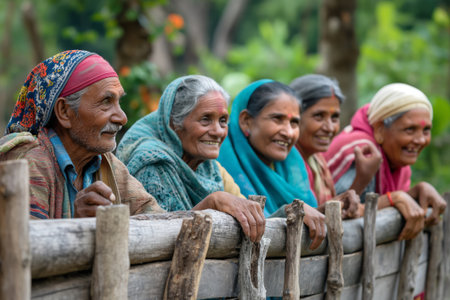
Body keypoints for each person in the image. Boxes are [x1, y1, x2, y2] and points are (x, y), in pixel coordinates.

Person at [0, 51, 264, 242]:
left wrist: (212, 202)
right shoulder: (28, 161)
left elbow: (160, 224)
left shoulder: (107, 163)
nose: (122, 117)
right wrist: (72, 223)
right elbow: (21, 251)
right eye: (106, 102)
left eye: (119, 102)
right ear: (64, 112)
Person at [116, 75, 265, 241]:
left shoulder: (209, 168)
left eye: (223, 120)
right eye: (205, 119)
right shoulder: (151, 163)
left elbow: (248, 212)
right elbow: (156, 236)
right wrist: (211, 203)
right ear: (174, 123)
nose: (218, 131)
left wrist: (288, 213)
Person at [218, 80, 358, 249]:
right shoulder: (220, 166)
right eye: (277, 119)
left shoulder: (292, 166)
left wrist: (330, 208)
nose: (289, 132)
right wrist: (290, 212)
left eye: (294, 123)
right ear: (246, 120)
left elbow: (306, 214)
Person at [324, 83, 447, 240]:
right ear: (380, 129)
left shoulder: (398, 163)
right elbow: (338, 211)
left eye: (426, 130)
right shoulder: (363, 151)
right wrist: (394, 198)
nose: (420, 140)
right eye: (409, 129)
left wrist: (416, 191)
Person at [290, 74, 380, 211]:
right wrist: (361, 180)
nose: (329, 128)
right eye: (319, 116)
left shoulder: (317, 161)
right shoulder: (287, 161)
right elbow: (302, 220)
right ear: (295, 116)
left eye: (334, 117)